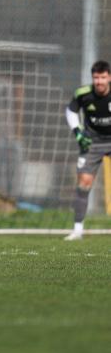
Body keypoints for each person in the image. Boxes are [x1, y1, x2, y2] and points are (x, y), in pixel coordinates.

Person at [63, 60, 111, 240]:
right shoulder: (83, 94)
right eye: (96, 78)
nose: (99, 82)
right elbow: (71, 111)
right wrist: (78, 133)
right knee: (83, 183)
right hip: (92, 142)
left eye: (103, 77)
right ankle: (77, 230)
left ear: (109, 77)